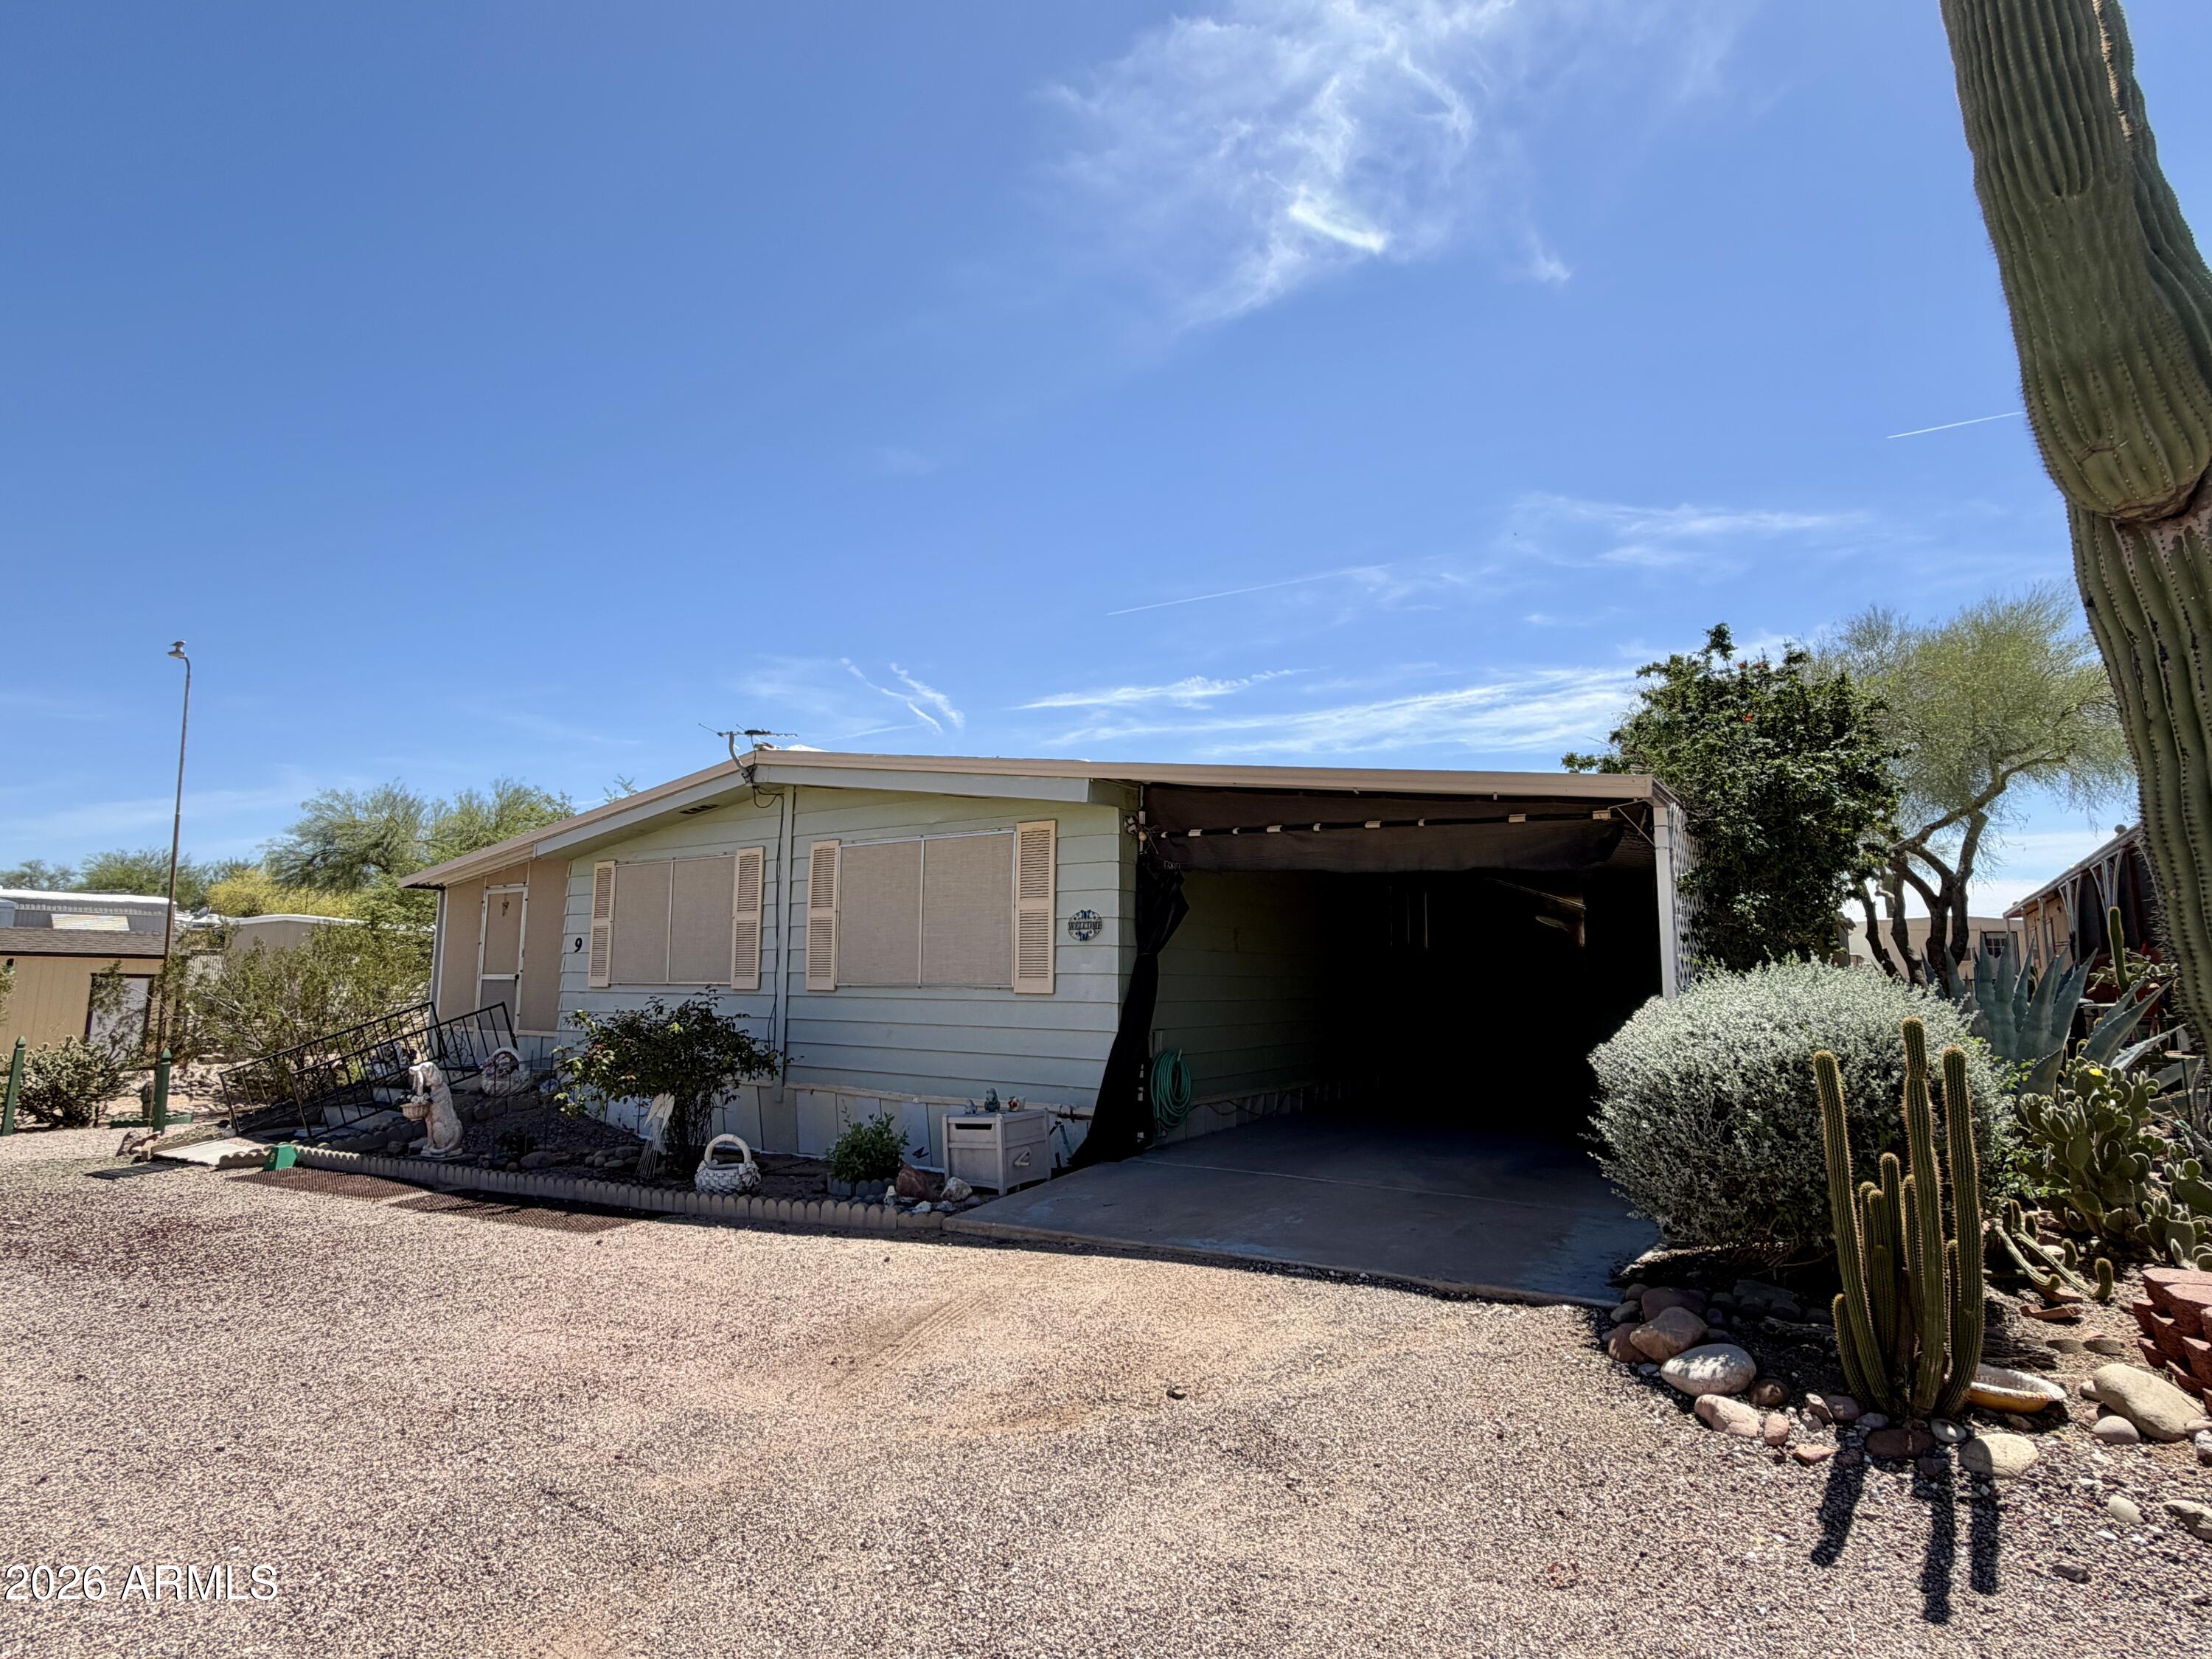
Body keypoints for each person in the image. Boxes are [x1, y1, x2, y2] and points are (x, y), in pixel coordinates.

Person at [400, 1046, 464, 1157]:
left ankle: (442, 1147)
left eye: (424, 1072)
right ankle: (431, 1144)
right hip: (447, 1126)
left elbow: (431, 1102)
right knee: (431, 1122)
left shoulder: (442, 1090)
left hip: (446, 1129)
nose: (423, 1075)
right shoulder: (435, 1090)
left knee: (436, 1125)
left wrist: (419, 1098)